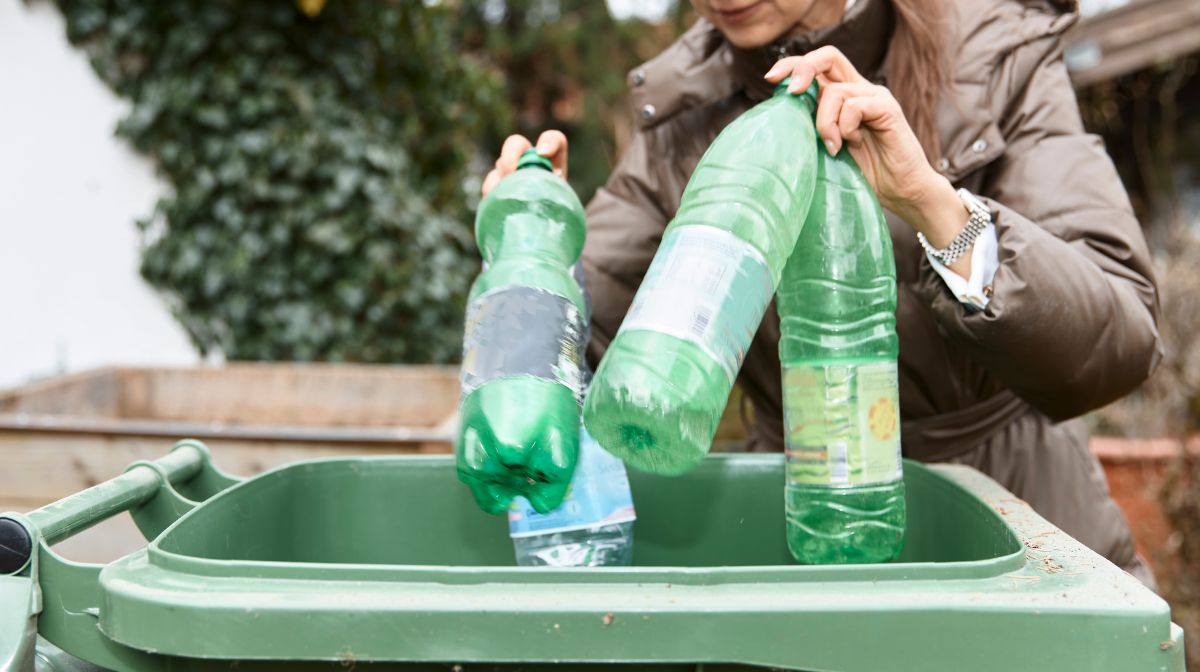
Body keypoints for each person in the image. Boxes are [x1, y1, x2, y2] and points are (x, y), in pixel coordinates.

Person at [481, 0, 1162, 586]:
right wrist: (537, 253)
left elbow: (1119, 346)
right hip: (802, 543)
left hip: (1015, 533)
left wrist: (933, 205)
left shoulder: (996, 54)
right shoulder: (683, 107)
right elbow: (583, 354)